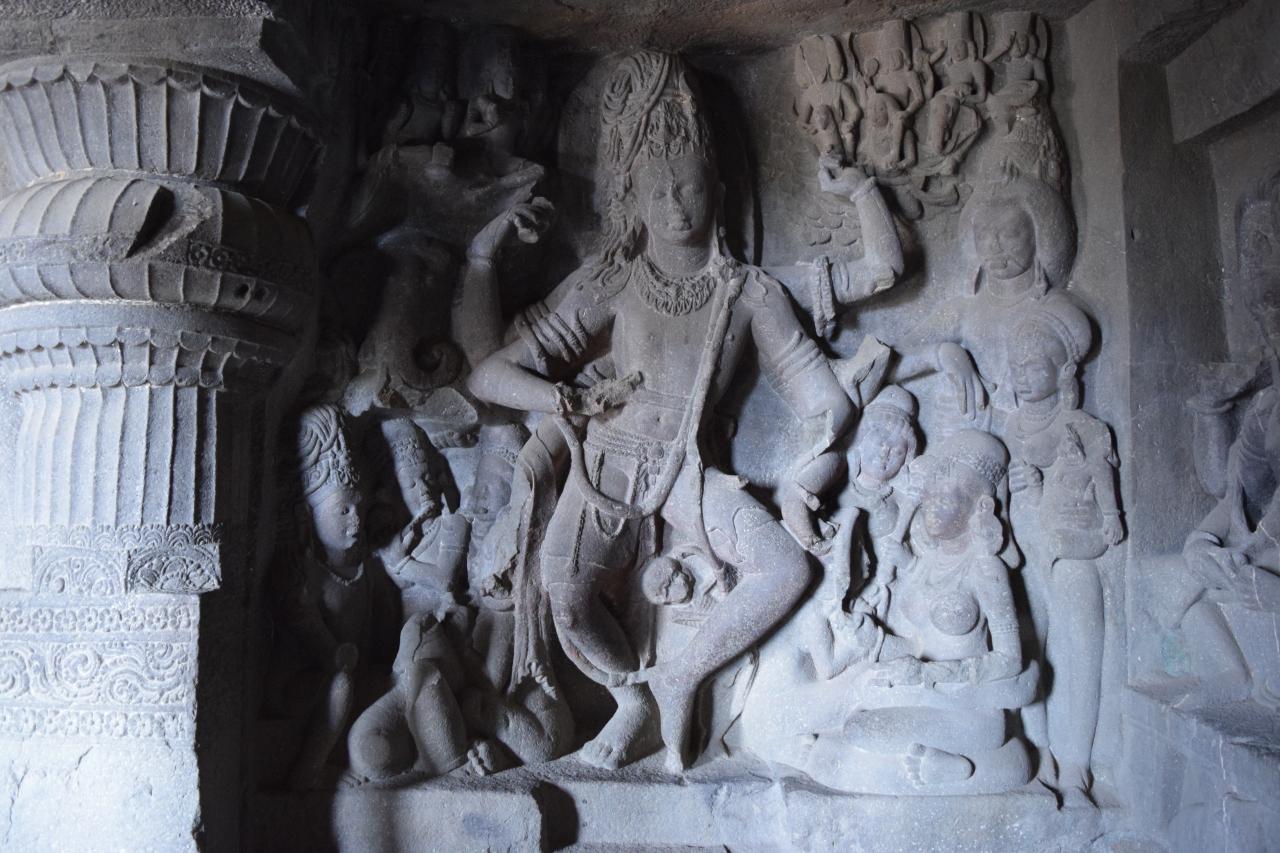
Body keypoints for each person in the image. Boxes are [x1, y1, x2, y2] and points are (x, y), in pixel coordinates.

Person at [467, 50, 856, 771]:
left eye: (690, 185)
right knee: (565, 593)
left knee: (784, 570)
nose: (676, 203)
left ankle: (681, 675)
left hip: (688, 470)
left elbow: (825, 400)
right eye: (659, 188)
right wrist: (562, 398)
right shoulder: (614, 280)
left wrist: (807, 479)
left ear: (719, 189)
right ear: (636, 199)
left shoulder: (749, 293)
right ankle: (632, 701)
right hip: (606, 462)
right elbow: (491, 374)